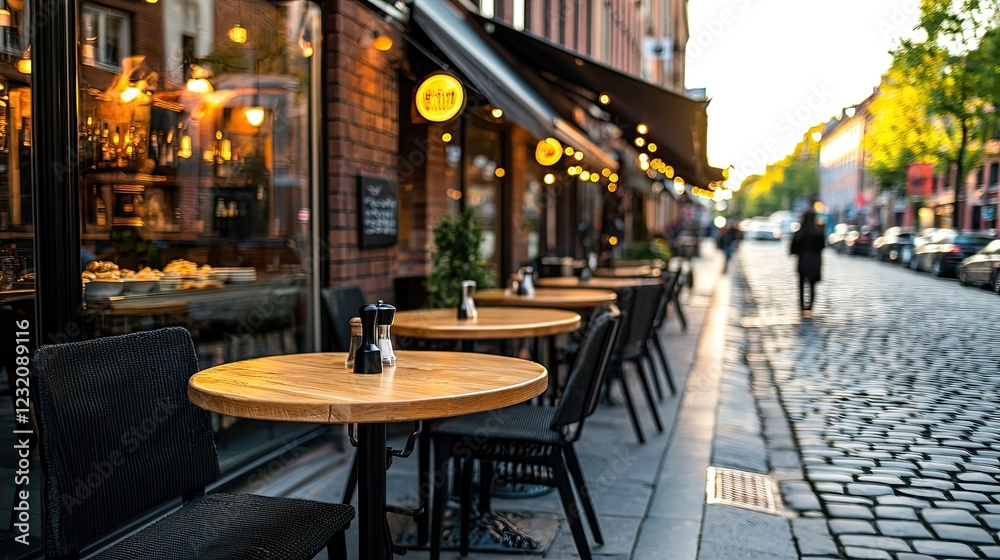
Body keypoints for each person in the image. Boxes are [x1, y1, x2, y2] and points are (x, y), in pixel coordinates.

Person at [789, 209, 825, 318]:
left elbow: (793, 248)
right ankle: (810, 307)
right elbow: (822, 247)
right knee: (812, 285)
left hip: (803, 260)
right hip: (814, 260)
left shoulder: (800, 233)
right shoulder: (818, 232)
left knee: (801, 284)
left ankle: (801, 306)